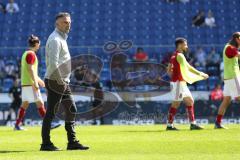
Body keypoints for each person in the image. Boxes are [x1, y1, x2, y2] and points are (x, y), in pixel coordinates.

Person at [41, 12, 89, 151]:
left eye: (69, 22)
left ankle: (72, 142)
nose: (68, 24)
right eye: (65, 22)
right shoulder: (55, 39)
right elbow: (53, 63)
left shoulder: (61, 38)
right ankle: (46, 144)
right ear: (57, 24)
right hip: (56, 81)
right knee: (51, 112)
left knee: (71, 109)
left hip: (62, 81)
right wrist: (60, 80)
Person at [14, 35, 60, 130]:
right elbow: (30, 69)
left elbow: (30, 70)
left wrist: (39, 80)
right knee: (40, 103)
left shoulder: (25, 54)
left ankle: (17, 125)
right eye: (39, 44)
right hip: (31, 84)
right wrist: (35, 83)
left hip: (25, 83)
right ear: (36, 44)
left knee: (25, 104)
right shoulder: (31, 54)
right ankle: (48, 124)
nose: (39, 46)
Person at [166, 37, 209, 130]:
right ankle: (169, 125)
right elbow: (188, 67)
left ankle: (193, 124)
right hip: (178, 83)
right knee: (176, 103)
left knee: (190, 101)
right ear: (180, 45)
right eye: (185, 44)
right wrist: (200, 73)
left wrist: (173, 76)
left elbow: (168, 69)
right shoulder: (180, 55)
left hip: (180, 83)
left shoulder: (174, 55)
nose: (187, 46)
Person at [214, 32, 240, 129]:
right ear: (237, 39)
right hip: (233, 77)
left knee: (226, 100)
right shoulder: (230, 48)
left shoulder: (229, 47)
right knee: (238, 97)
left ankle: (218, 123)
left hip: (229, 77)